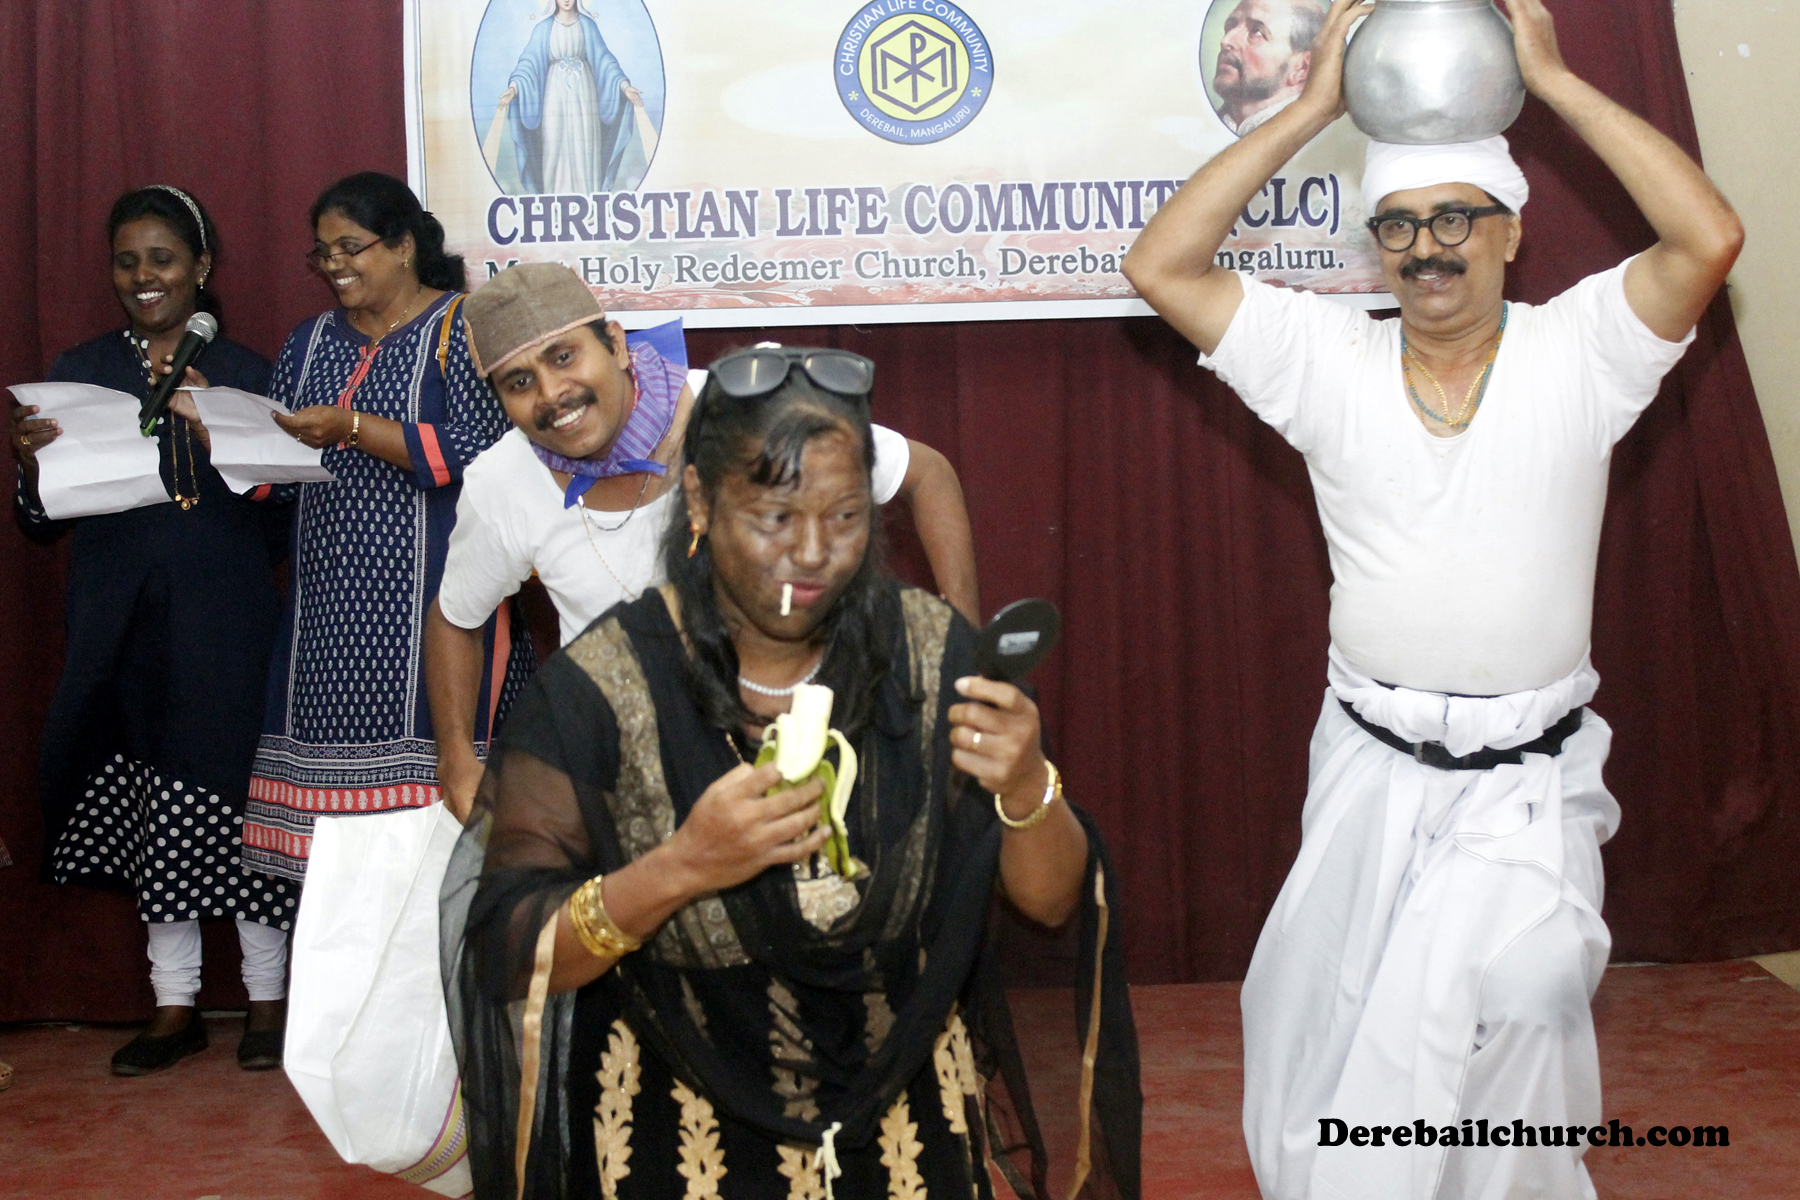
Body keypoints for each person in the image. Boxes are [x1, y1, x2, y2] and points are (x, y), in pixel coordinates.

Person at [1124, 0, 1742, 1195]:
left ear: (1512, 229)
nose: (1427, 248)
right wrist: (1312, 109)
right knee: (1333, 1046)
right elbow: (1162, 265)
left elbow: (1708, 237)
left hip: (1528, 784)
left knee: (1530, 997)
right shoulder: (1326, 362)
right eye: (1399, 225)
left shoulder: (1582, 352)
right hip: (1372, 768)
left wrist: (1553, 83)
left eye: (1456, 217)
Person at [442, 345, 1140, 1199]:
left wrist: (1026, 784)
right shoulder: (606, 687)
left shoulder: (929, 659)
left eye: (844, 516)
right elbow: (511, 952)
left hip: (907, 1131)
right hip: (679, 1139)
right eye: (773, 517)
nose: (811, 552)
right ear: (700, 500)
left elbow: (1051, 904)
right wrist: (680, 868)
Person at [426, 262, 984, 820]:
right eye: (519, 383)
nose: (552, 393)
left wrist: (964, 655)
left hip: (802, 756)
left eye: (564, 356)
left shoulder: (741, 410)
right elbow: (454, 619)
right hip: (632, 784)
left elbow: (927, 475)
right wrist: (455, 758)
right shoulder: (501, 482)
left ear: (615, 344)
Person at [10, 186, 296, 1074]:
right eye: (127, 261)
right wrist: (29, 467)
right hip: (122, 625)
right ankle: (174, 1007)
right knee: (155, 810)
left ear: (200, 267)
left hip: (227, 619)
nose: (144, 276)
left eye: (163, 258)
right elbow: (39, 523)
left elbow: (287, 518)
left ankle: (267, 1000)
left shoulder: (246, 371)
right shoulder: (81, 369)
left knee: (243, 805)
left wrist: (227, 440)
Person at [245, 173, 534, 890]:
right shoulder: (308, 342)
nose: (334, 265)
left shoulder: (461, 328)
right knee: (339, 883)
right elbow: (277, 478)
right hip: (326, 628)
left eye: (351, 247)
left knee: (440, 862)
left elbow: (489, 454)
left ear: (403, 246)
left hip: (438, 613)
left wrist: (354, 428)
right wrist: (222, 433)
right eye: (323, 253)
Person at [499, 0, 644, 194]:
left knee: (584, 144)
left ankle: (587, 195)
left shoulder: (588, 25)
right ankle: (553, 196)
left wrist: (624, 87)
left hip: (585, 94)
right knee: (553, 143)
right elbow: (528, 63)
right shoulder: (543, 28)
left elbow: (605, 60)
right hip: (554, 95)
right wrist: (514, 87)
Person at [1210, 0, 1326, 137]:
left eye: (1257, 31)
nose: (1226, 40)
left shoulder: (1313, 138)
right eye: (1231, 26)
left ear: (1302, 68)